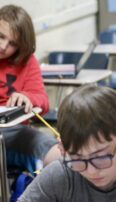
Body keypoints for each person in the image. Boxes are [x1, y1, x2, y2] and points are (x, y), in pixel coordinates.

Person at [19, 84, 116, 201]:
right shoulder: (60, 173)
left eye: (101, 158)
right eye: (78, 159)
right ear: (63, 149)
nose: (92, 171)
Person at [0, 5, 60, 172]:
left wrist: (28, 98)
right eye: (1, 37)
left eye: (12, 43)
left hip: (14, 135)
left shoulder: (27, 62)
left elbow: (43, 101)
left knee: (57, 153)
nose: (4, 46)